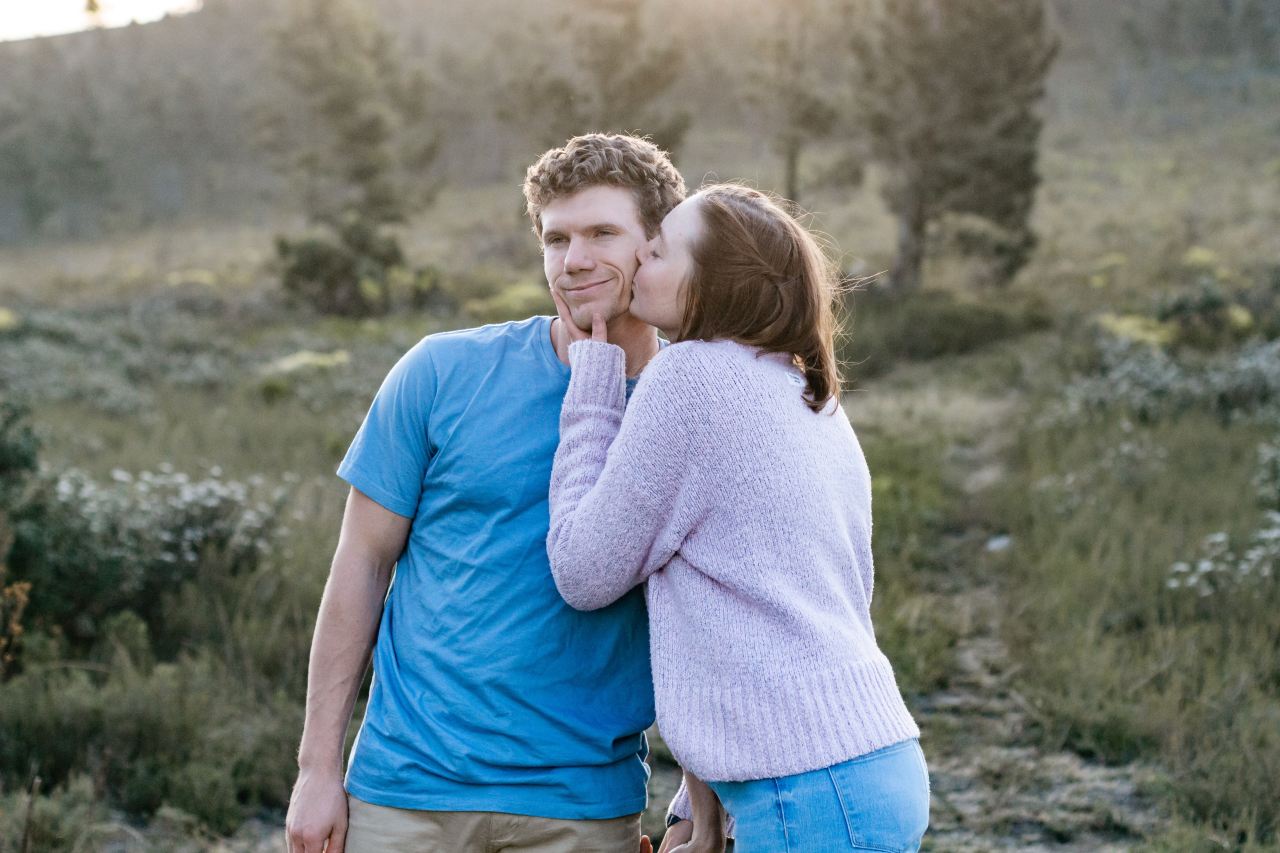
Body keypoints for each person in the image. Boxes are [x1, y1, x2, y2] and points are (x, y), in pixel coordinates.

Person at [284, 133, 686, 853]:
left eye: (602, 233)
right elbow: (361, 563)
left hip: (582, 805)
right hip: (406, 794)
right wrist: (317, 768)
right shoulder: (441, 373)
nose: (575, 260)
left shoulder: (689, 404)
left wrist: (697, 796)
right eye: (556, 238)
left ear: (654, 246)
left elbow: (726, 604)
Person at [547, 184, 931, 853]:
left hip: (808, 787)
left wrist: (594, 388)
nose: (639, 264)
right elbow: (750, 628)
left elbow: (583, 570)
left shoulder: (691, 377)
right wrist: (697, 807)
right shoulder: (805, 391)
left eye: (659, 252)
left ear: (711, 282)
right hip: (866, 761)